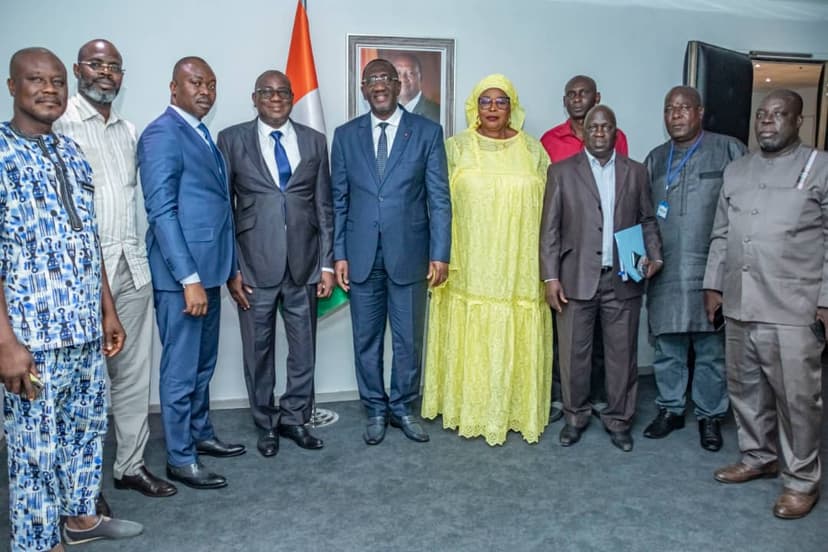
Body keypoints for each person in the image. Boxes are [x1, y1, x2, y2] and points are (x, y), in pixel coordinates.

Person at [1, 47, 143, 551]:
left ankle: (80, 520)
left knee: (83, 434)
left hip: (83, 328)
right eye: (36, 80)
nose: (49, 90)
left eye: (57, 82)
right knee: (34, 448)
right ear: (13, 86)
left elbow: (89, 240)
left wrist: (107, 310)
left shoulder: (70, 152)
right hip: (31, 336)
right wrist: (6, 344)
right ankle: (40, 542)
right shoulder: (0, 153)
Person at [53, 39, 177, 502]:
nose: (106, 73)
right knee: (82, 383)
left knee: (132, 376)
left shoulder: (129, 130)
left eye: (115, 67)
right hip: (80, 274)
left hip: (132, 268)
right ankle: (82, 484)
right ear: (78, 68)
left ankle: (129, 466)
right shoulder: (57, 124)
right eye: (97, 65)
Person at [703, 89, 826, 519]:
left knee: (797, 399)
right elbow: (721, 232)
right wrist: (713, 285)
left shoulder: (820, 167)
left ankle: (801, 480)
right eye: (762, 115)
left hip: (794, 305)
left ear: (798, 120)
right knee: (745, 387)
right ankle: (758, 456)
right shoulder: (737, 170)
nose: (768, 122)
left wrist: (825, 300)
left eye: (779, 115)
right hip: (740, 301)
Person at [421, 74, 551, 445]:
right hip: (470, 265)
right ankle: (471, 408)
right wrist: (438, 255)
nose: (493, 108)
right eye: (485, 101)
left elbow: (551, 208)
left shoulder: (533, 149)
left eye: (501, 101)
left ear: (513, 107)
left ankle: (512, 409)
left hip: (519, 266)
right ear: (474, 107)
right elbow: (437, 204)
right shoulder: (455, 148)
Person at [331, 58, 451, 445]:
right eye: (371, 80)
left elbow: (439, 198)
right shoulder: (345, 135)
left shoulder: (428, 133)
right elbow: (339, 200)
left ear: (398, 85)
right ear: (363, 89)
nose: (379, 85)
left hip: (411, 254)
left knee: (408, 340)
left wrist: (441, 252)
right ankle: (376, 409)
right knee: (366, 339)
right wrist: (338, 254)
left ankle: (402, 406)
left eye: (386, 78)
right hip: (361, 255)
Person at [138, 56, 245, 490]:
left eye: (211, 84)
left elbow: (221, 209)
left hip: (212, 272)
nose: (205, 91)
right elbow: (161, 211)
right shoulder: (162, 134)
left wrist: (231, 268)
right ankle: (180, 457)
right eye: (195, 82)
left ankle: (200, 436)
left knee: (203, 365)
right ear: (173, 88)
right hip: (182, 280)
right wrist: (189, 279)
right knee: (181, 370)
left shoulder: (201, 134)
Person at [217, 70, 334, 458]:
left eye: (282, 92)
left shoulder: (315, 141)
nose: (275, 98)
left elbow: (324, 206)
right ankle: (266, 423)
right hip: (253, 267)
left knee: (304, 350)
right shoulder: (232, 140)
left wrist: (328, 264)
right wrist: (232, 268)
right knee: (258, 350)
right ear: (254, 98)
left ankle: (295, 418)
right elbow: (225, 211)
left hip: (303, 266)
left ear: (292, 97)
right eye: (267, 92)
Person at [540, 105, 662, 452]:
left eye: (605, 127)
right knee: (573, 356)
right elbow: (549, 231)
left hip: (623, 279)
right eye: (592, 127)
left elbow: (648, 220)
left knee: (621, 356)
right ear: (584, 132)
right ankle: (575, 417)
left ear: (614, 131)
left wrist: (654, 255)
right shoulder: (561, 172)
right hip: (575, 279)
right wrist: (550, 277)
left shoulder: (635, 172)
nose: (598, 132)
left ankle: (619, 420)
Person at [643, 86, 747, 451]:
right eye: (669, 109)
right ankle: (671, 409)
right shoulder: (656, 158)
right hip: (665, 270)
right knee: (667, 346)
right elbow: (644, 217)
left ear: (700, 112)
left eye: (683, 108)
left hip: (711, 271)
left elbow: (744, 211)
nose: (675, 115)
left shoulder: (729, 149)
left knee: (710, 350)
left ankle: (709, 416)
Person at [539, 75, 629, 422]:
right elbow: (549, 210)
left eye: (584, 94)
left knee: (610, 344)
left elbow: (623, 198)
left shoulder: (618, 139)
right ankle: (570, 405)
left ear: (597, 97)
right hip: (571, 262)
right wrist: (550, 271)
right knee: (570, 344)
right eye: (571, 95)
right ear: (565, 101)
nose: (577, 99)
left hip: (611, 261)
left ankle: (607, 404)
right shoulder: (549, 141)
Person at [389, 52, 440, 123]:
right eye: (398, 73)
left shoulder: (436, 114)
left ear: (420, 78)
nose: (403, 78)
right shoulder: (386, 111)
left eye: (410, 73)